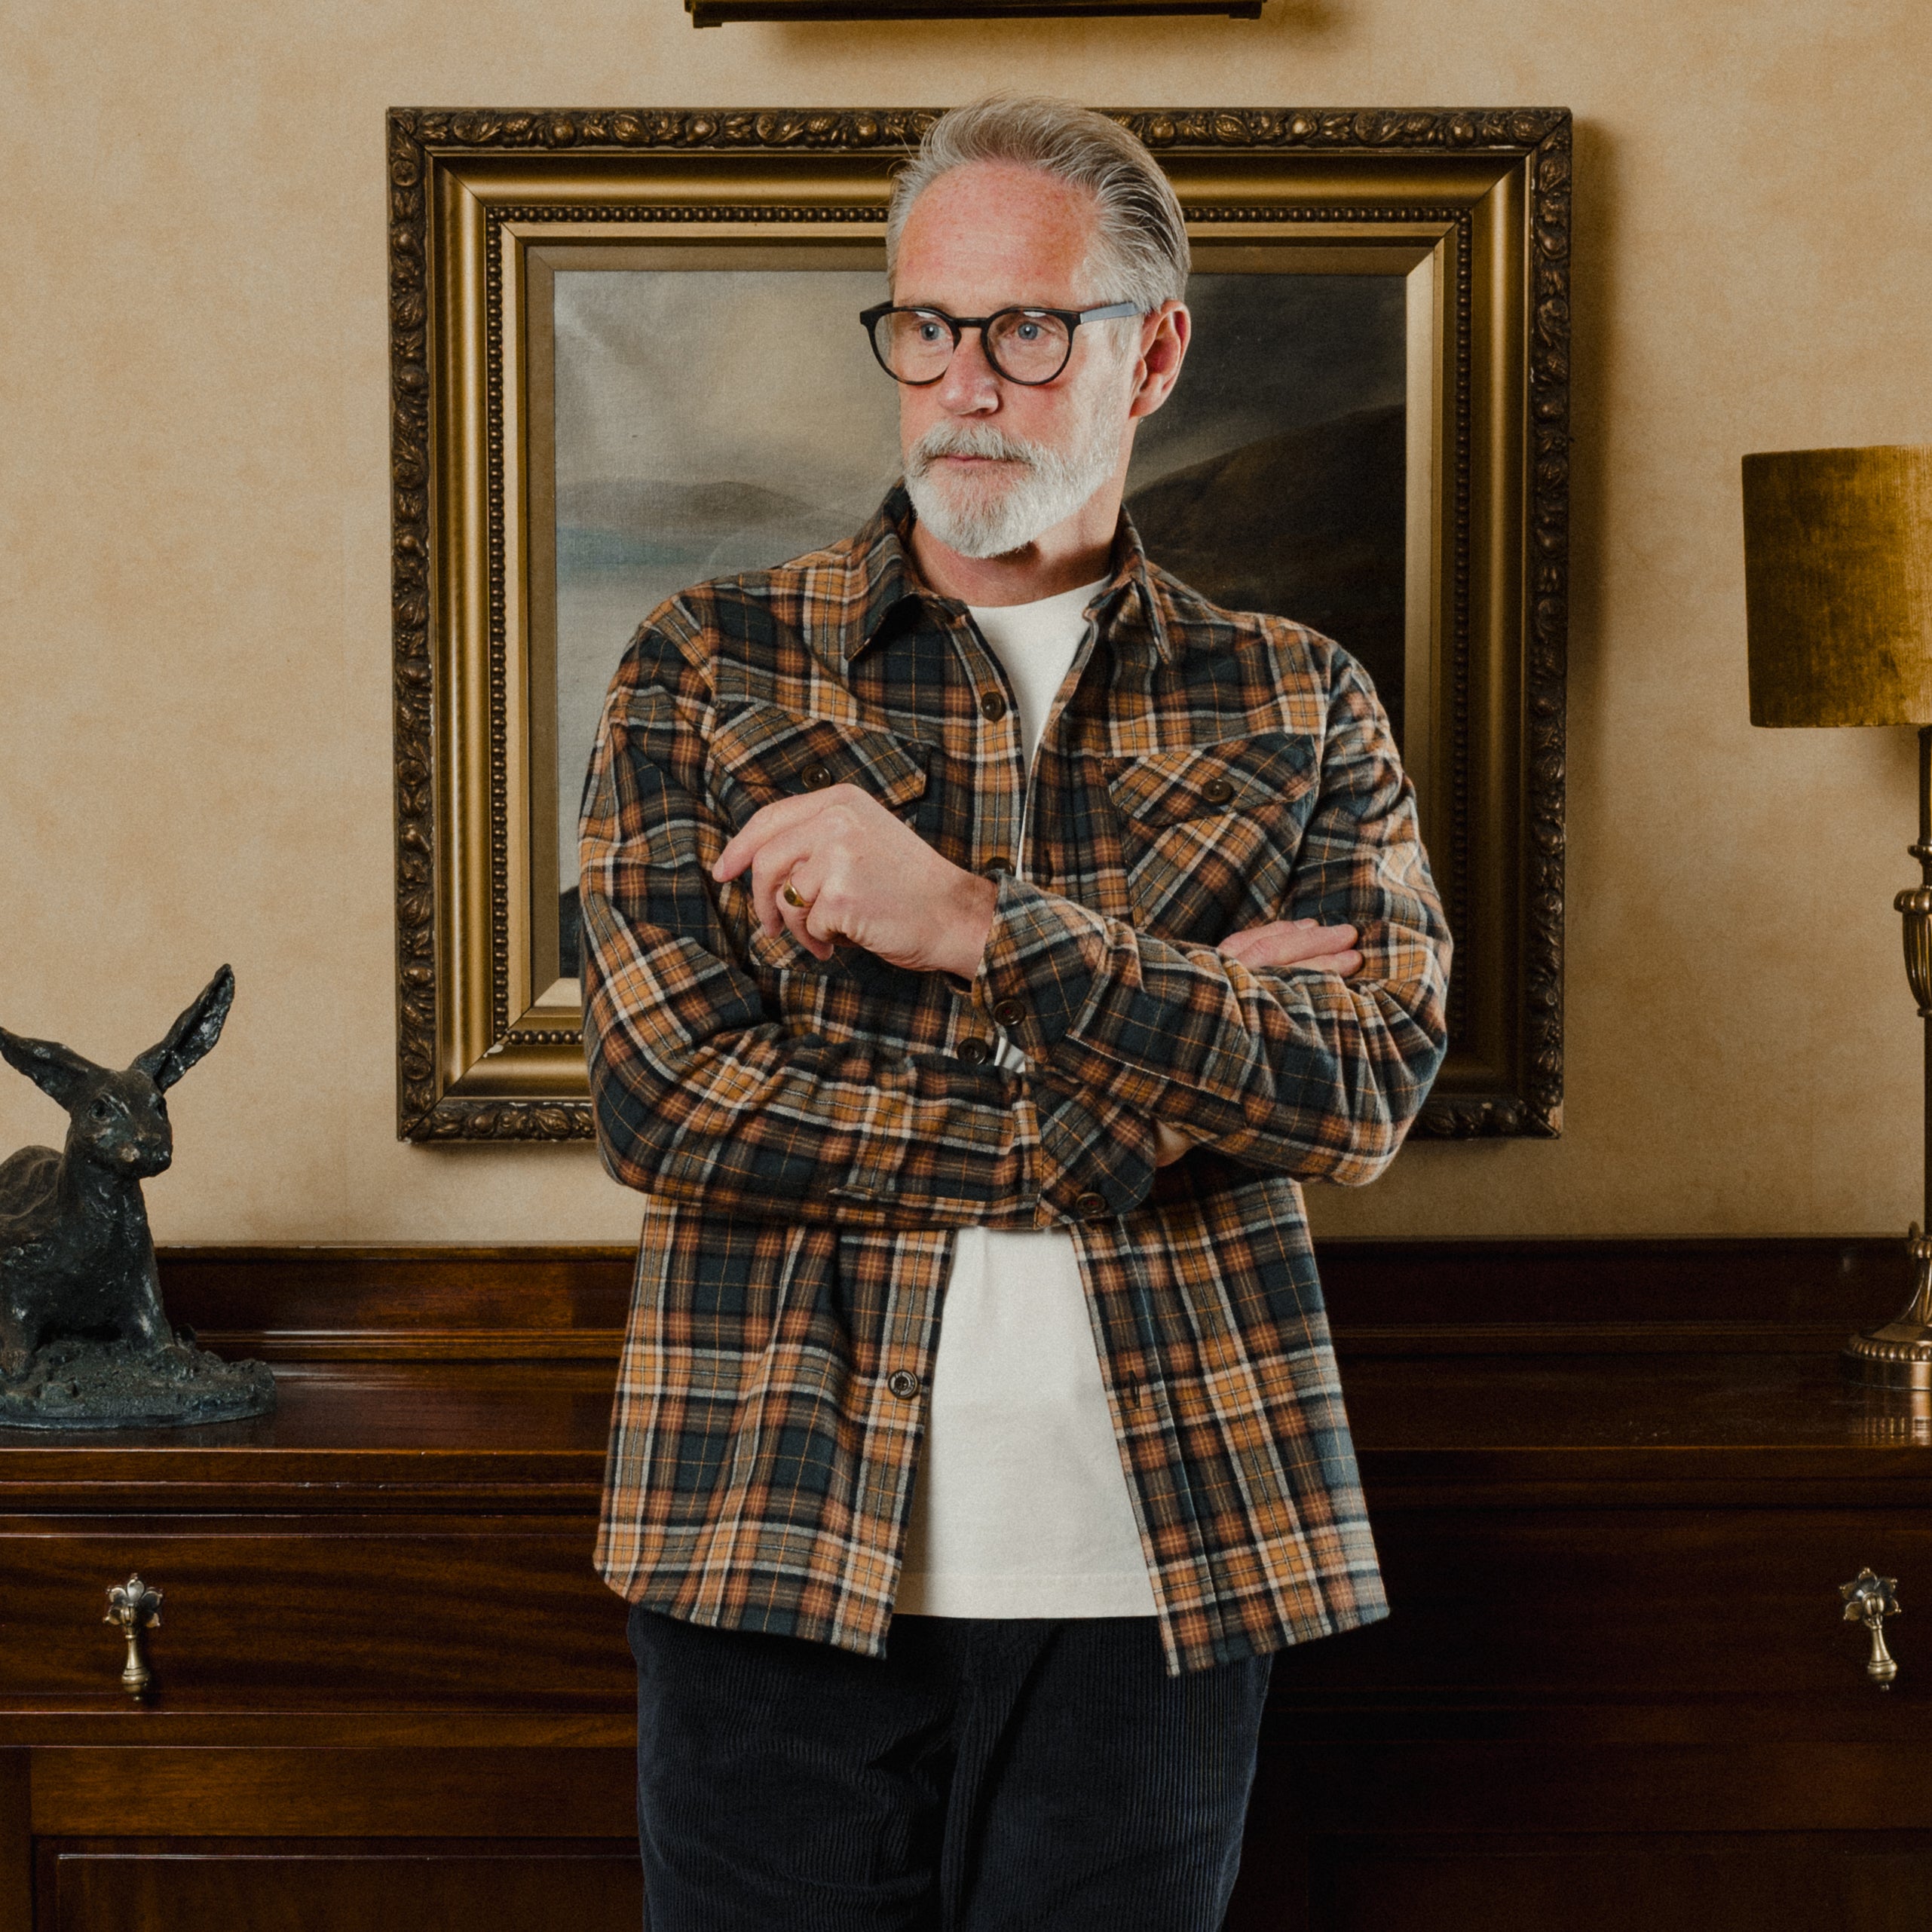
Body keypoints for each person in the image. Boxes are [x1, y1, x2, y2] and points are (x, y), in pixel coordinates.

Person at [577, 94, 1451, 1932]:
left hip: (1168, 1563)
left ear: (1153, 354)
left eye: (1027, 329)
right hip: (765, 1548)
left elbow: (1365, 1082)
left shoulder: (1297, 698)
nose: (961, 383)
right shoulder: (703, 666)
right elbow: (672, 1102)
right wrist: (1160, 1080)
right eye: (924, 325)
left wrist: (979, 929)